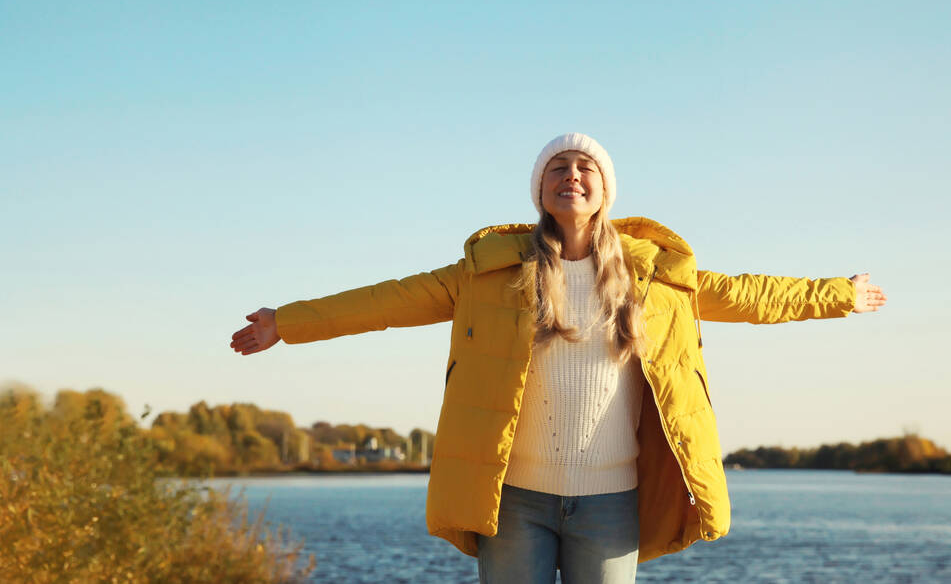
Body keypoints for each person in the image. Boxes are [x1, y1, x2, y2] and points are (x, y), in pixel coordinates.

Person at [229, 132, 887, 583]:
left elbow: (751, 294)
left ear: (606, 191)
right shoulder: (484, 275)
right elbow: (386, 301)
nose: (571, 175)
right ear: (539, 190)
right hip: (514, 499)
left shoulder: (658, 278)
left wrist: (839, 296)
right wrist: (287, 323)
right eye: (557, 168)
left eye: (585, 168)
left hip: (610, 502)